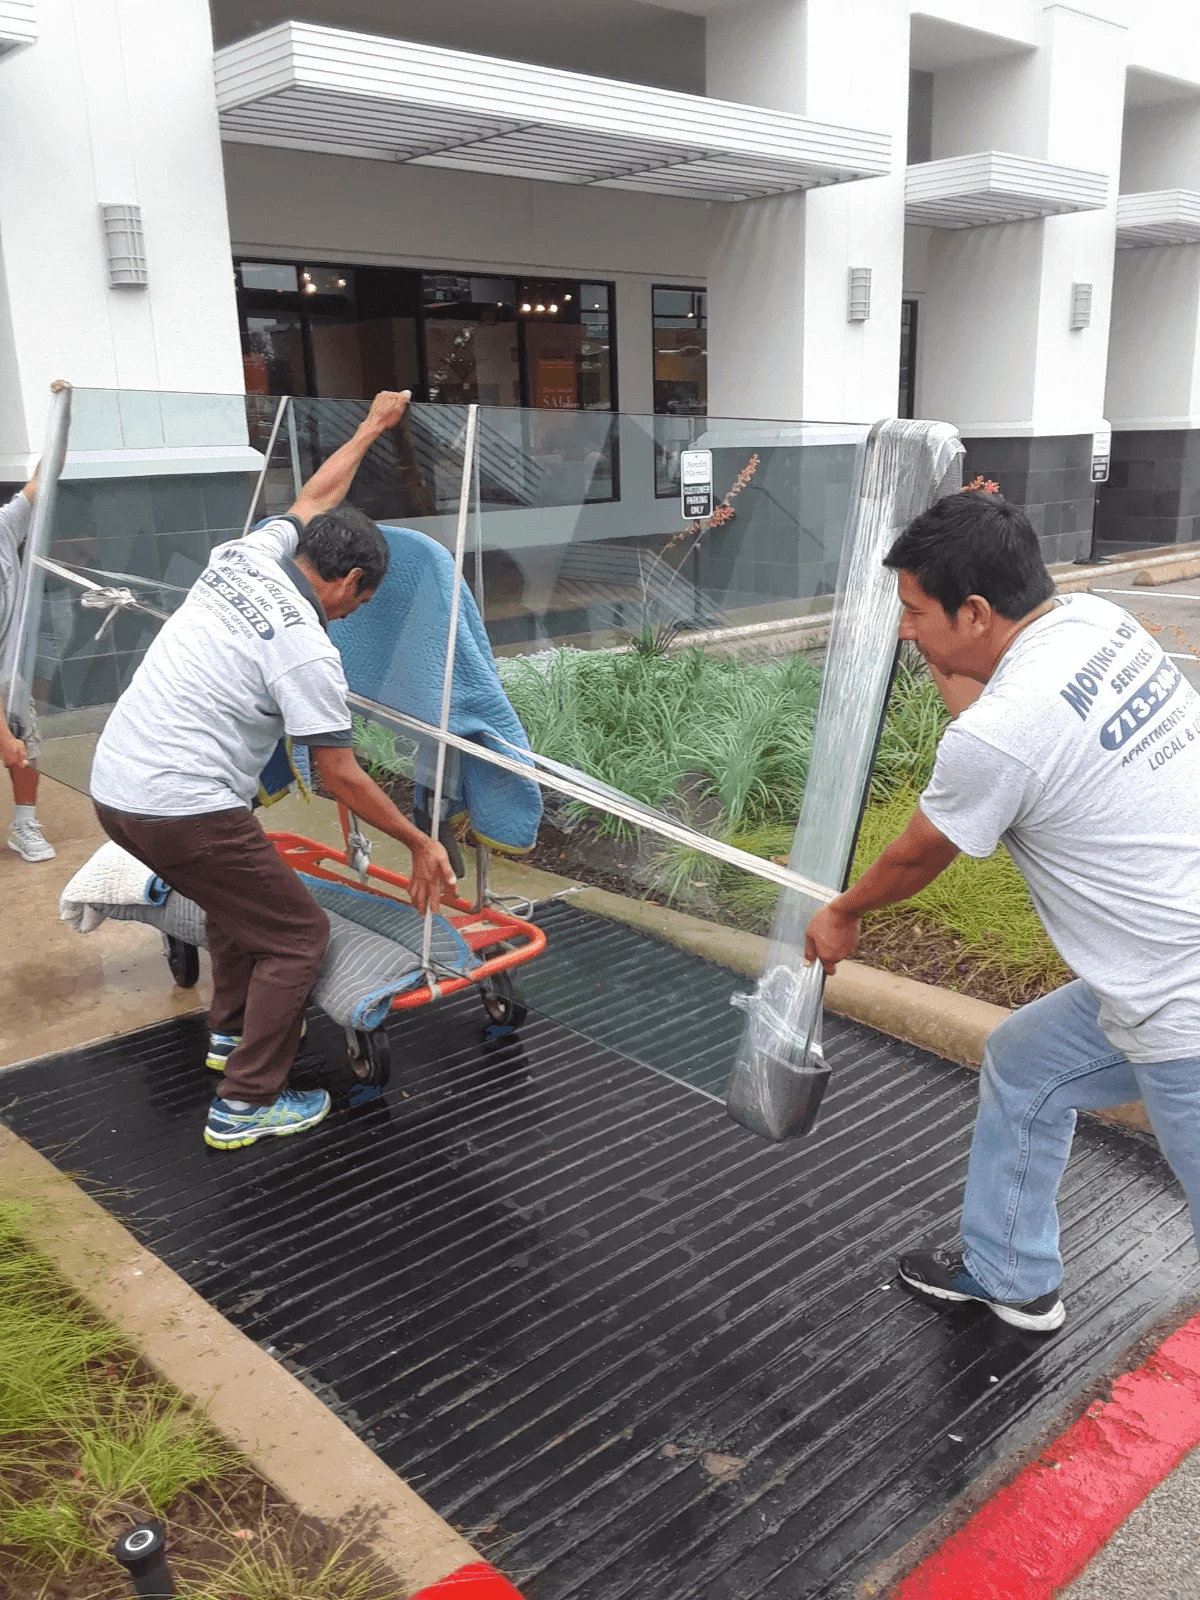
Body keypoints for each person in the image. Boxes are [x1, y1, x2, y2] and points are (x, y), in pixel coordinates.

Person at [805, 490, 1200, 1334]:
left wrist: (844, 911)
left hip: (1185, 1009)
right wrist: (940, 641)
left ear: (976, 611)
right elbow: (990, 719)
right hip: (1158, 968)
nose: (904, 630)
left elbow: (918, 852)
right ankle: (1008, 1273)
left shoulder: (1003, 733)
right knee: (1025, 1063)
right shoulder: (1096, 624)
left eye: (914, 612)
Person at [89, 389, 456, 1151]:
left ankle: (229, 1035)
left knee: (236, 905)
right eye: (362, 602)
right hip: (180, 807)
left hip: (115, 788)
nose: (353, 616)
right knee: (298, 936)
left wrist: (373, 427)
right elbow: (340, 777)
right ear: (350, 583)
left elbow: (317, 495)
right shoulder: (307, 647)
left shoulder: (246, 554)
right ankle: (246, 1103)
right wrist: (420, 842)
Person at [0, 464, 55, 863]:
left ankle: (24, 824)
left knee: (25, 746)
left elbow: (42, 479)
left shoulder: (3, 526)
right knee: (11, 742)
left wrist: (64, 409)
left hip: (7, 671)